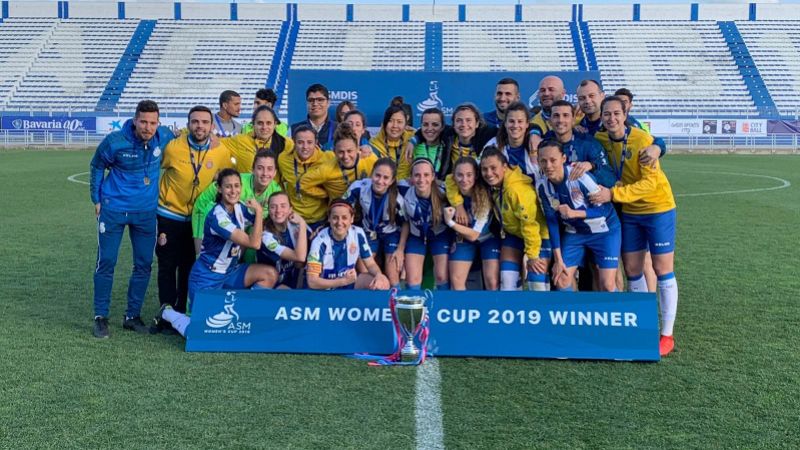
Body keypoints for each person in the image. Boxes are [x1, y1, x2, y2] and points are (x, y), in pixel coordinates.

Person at [591, 96, 679, 356]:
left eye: (616, 113)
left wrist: (613, 195)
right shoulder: (601, 140)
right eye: (606, 114)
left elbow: (650, 184)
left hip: (657, 208)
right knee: (632, 269)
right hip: (630, 211)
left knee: (663, 269)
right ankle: (643, 324)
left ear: (625, 113)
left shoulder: (641, 140)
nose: (611, 119)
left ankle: (667, 334)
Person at [153, 169, 278, 337]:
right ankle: (168, 312)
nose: (233, 191)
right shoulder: (218, 216)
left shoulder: (240, 207)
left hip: (230, 273)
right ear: (219, 189)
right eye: (228, 187)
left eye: (236, 186)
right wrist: (259, 212)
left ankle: (248, 315)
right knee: (201, 333)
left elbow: (265, 220)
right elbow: (254, 243)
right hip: (207, 277)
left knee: (268, 274)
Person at [89, 100, 175, 338]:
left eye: (153, 123)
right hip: (113, 209)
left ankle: (132, 316)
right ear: (135, 120)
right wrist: (96, 199)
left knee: (144, 264)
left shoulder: (164, 136)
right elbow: (97, 165)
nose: (148, 127)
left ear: (159, 123)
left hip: (146, 213)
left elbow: (185, 137)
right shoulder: (115, 141)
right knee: (106, 262)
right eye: (143, 122)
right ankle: (100, 317)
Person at [156, 105, 233, 318]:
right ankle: (166, 312)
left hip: (199, 220)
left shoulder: (221, 151)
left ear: (211, 125)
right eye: (195, 122)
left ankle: (182, 310)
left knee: (190, 264)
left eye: (205, 122)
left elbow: (226, 179)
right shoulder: (172, 147)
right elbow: (154, 165)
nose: (200, 126)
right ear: (188, 124)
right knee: (167, 265)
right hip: (169, 215)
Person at [536, 140, 621, 292]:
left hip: (605, 230)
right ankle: (572, 314)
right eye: (543, 161)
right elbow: (552, 222)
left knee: (607, 285)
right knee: (561, 280)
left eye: (553, 160)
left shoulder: (580, 177)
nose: (548, 165)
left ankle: (619, 311)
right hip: (575, 233)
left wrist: (574, 213)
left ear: (563, 158)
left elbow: (602, 211)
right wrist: (558, 260)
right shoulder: (542, 186)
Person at [479, 147, 549, 291]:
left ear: (504, 167)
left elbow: (530, 225)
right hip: (515, 235)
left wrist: (532, 256)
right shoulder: (496, 184)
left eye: (493, 168)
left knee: (536, 283)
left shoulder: (516, 190)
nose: (489, 173)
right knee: (507, 280)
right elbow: (452, 179)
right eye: (484, 169)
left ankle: (541, 312)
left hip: (537, 236)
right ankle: (510, 312)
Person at [192, 150, 282, 252]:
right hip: (211, 219)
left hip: (242, 227)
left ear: (275, 172)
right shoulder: (236, 182)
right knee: (203, 255)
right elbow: (203, 202)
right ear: (252, 169)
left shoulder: (276, 192)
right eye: (260, 168)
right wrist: (199, 237)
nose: (265, 173)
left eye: (270, 169)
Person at [344, 158, 406, 287]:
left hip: (391, 233)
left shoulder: (397, 199)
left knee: (393, 274)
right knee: (364, 270)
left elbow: (406, 224)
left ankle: (395, 301)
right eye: (377, 175)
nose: (380, 181)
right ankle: (372, 301)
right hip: (368, 230)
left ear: (392, 180)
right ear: (372, 173)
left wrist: (400, 249)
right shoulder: (359, 188)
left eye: (385, 178)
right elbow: (343, 207)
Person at [306, 199, 391, 290]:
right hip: (324, 288)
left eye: (344, 218)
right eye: (335, 217)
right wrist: (342, 281)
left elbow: (370, 264)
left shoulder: (358, 233)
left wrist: (379, 275)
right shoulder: (319, 241)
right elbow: (312, 282)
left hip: (349, 282)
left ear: (352, 219)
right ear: (329, 218)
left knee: (382, 283)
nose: (339, 222)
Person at [443, 157, 500, 290]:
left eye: (469, 175)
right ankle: (460, 310)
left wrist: (450, 222)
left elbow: (474, 234)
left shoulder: (483, 196)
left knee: (492, 280)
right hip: (463, 238)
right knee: (456, 279)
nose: (464, 180)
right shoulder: (451, 190)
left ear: (476, 175)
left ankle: (491, 310)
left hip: (488, 238)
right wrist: (457, 206)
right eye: (460, 175)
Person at [397, 158, 452, 290]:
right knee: (412, 278)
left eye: (426, 175)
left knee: (441, 276)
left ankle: (441, 309)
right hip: (416, 236)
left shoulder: (445, 191)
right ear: (411, 177)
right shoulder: (403, 188)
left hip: (440, 235)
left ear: (433, 176)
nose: (422, 179)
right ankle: (413, 309)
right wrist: (400, 248)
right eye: (417, 175)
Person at [544, 99, 615, 188]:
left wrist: (592, 166)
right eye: (556, 116)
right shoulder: (544, 142)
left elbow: (610, 180)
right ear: (550, 121)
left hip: (585, 198)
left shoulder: (588, 143)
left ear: (573, 120)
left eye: (566, 115)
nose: (560, 120)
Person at [301, 123, 377, 204]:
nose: (346, 156)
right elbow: (302, 184)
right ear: (334, 151)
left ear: (357, 148)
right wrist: (326, 194)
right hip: (340, 212)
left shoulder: (370, 159)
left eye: (349, 151)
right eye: (341, 152)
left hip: (366, 211)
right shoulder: (327, 169)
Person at [277, 126, 335, 231]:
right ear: (294, 142)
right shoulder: (283, 159)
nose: (305, 147)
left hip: (321, 219)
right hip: (294, 217)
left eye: (309, 142)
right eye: (300, 142)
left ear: (316, 142)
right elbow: (279, 183)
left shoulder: (328, 158)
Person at [258, 192, 308, 289]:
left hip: (293, 280)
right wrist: (302, 223)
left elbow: (302, 262)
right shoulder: (266, 237)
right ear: (268, 210)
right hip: (273, 284)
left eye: (283, 206)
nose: (278, 210)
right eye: (273, 207)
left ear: (290, 209)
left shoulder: (294, 225)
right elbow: (300, 257)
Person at [223, 105, 294, 173]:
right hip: (247, 185)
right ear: (253, 124)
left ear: (275, 124)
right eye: (260, 123)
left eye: (268, 123)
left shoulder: (286, 143)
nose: (264, 127)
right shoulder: (240, 141)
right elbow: (216, 143)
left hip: (274, 185)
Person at [439, 103, 498, 176]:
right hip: (454, 184)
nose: (463, 124)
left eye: (468, 120)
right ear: (453, 125)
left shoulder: (487, 140)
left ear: (476, 124)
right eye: (459, 120)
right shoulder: (447, 139)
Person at [369, 105, 416, 180]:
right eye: (390, 121)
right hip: (383, 186)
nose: (395, 126)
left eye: (399, 122)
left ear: (406, 125)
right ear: (384, 123)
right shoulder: (373, 144)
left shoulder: (413, 138)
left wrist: (414, 140)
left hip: (408, 186)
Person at [290, 83, 336, 150]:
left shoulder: (339, 129)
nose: (315, 104)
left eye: (320, 100)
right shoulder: (293, 130)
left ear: (328, 103)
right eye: (311, 100)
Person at [407, 108, 449, 179]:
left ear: (442, 127)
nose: (429, 128)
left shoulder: (448, 147)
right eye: (425, 124)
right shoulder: (413, 146)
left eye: (435, 125)